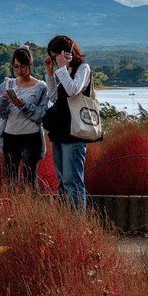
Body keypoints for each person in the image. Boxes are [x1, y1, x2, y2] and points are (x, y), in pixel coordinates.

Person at [43, 34, 92, 211]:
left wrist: (61, 69)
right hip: (60, 130)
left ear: (68, 53)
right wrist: (50, 73)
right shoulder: (65, 71)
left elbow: (73, 90)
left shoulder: (83, 68)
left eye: (57, 56)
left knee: (73, 181)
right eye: (54, 57)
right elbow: (54, 97)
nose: (56, 61)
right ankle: (66, 221)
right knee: (63, 181)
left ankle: (78, 226)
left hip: (75, 131)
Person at [0, 46, 48, 189]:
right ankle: (13, 209)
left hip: (32, 137)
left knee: (30, 180)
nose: (19, 70)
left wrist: (22, 104)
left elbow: (42, 115)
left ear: (31, 65)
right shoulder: (6, 85)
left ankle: (31, 209)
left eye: (23, 66)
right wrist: (4, 101)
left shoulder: (41, 87)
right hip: (10, 136)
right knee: (11, 180)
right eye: (15, 67)